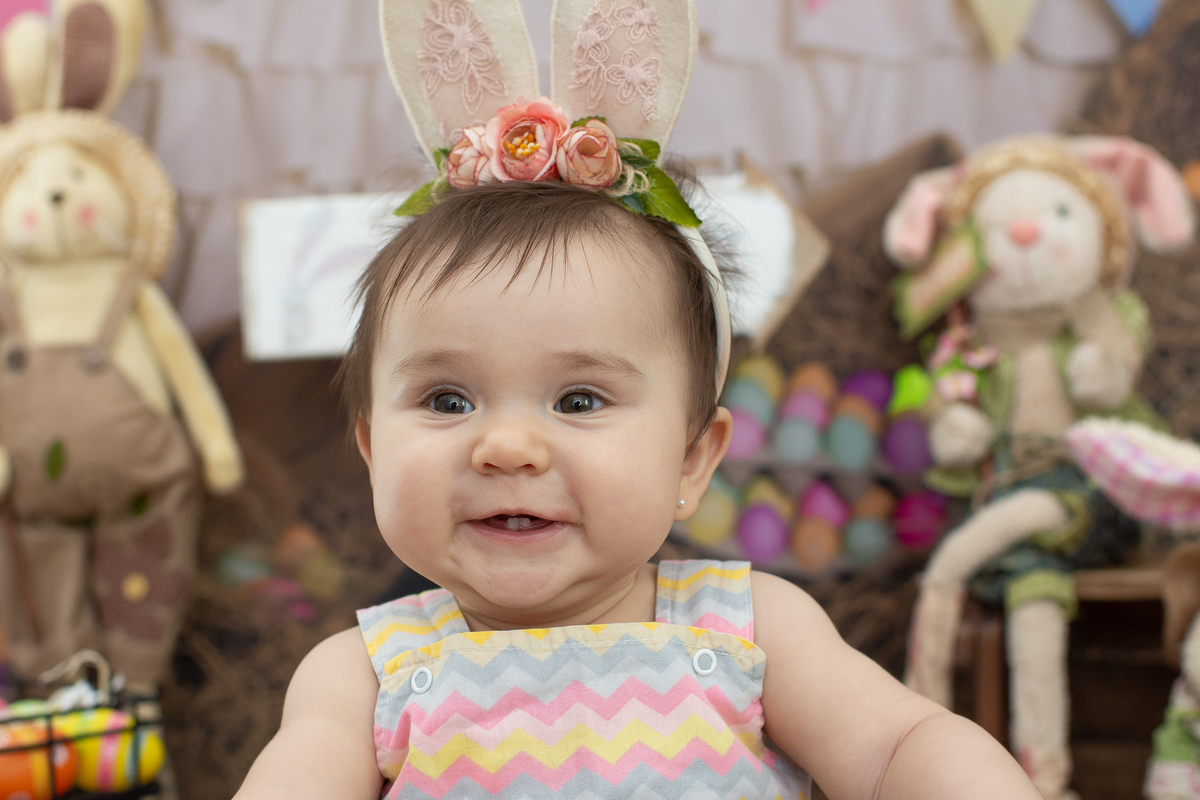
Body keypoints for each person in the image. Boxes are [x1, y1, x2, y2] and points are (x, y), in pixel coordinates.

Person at [233, 174, 1041, 800]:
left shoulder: (753, 630)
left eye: (578, 400)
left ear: (692, 459)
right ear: (372, 447)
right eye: (448, 401)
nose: (507, 447)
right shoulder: (363, 675)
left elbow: (900, 749)